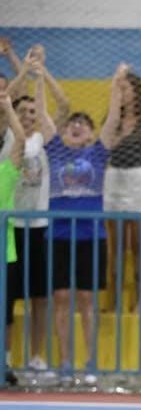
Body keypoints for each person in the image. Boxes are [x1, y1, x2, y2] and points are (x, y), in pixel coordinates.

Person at [40, 65, 125, 374]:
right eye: (72, 123)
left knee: (87, 298)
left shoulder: (98, 154)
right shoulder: (56, 152)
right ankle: (64, 361)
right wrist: (39, 78)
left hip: (92, 236)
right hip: (60, 236)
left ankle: (91, 362)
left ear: (91, 134)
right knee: (61, 297)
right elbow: (42, 116)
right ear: (64, 132)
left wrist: (116, 85)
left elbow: (114, 119)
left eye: (83, 124)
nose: (77, 126)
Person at [103, 68, 141, 312]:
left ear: (137, 91)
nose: (123, 92)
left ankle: (139, 300)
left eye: (126, 88)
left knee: (138, 247)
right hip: (115, 178)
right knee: (116, 248)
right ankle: (113, 302)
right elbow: (104, 146)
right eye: (120, 88)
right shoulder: (112, 117)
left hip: (138, 180)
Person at [8, 80, 53, 372]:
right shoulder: (7, 142)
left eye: (32, 112)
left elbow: (57, 110)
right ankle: (7, 357)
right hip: (10, 228)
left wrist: (39, 75)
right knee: (8, 296)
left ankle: (37, 357)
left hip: (38, 227)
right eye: (22, 111)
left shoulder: (41, 141)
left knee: (39, 297)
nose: (28, 116)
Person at [1, 93, 26, 386]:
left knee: (5, 314)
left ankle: (3, 362)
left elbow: (20, 140)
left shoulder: (6, 171)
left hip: (4, 254)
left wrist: (8, 107)